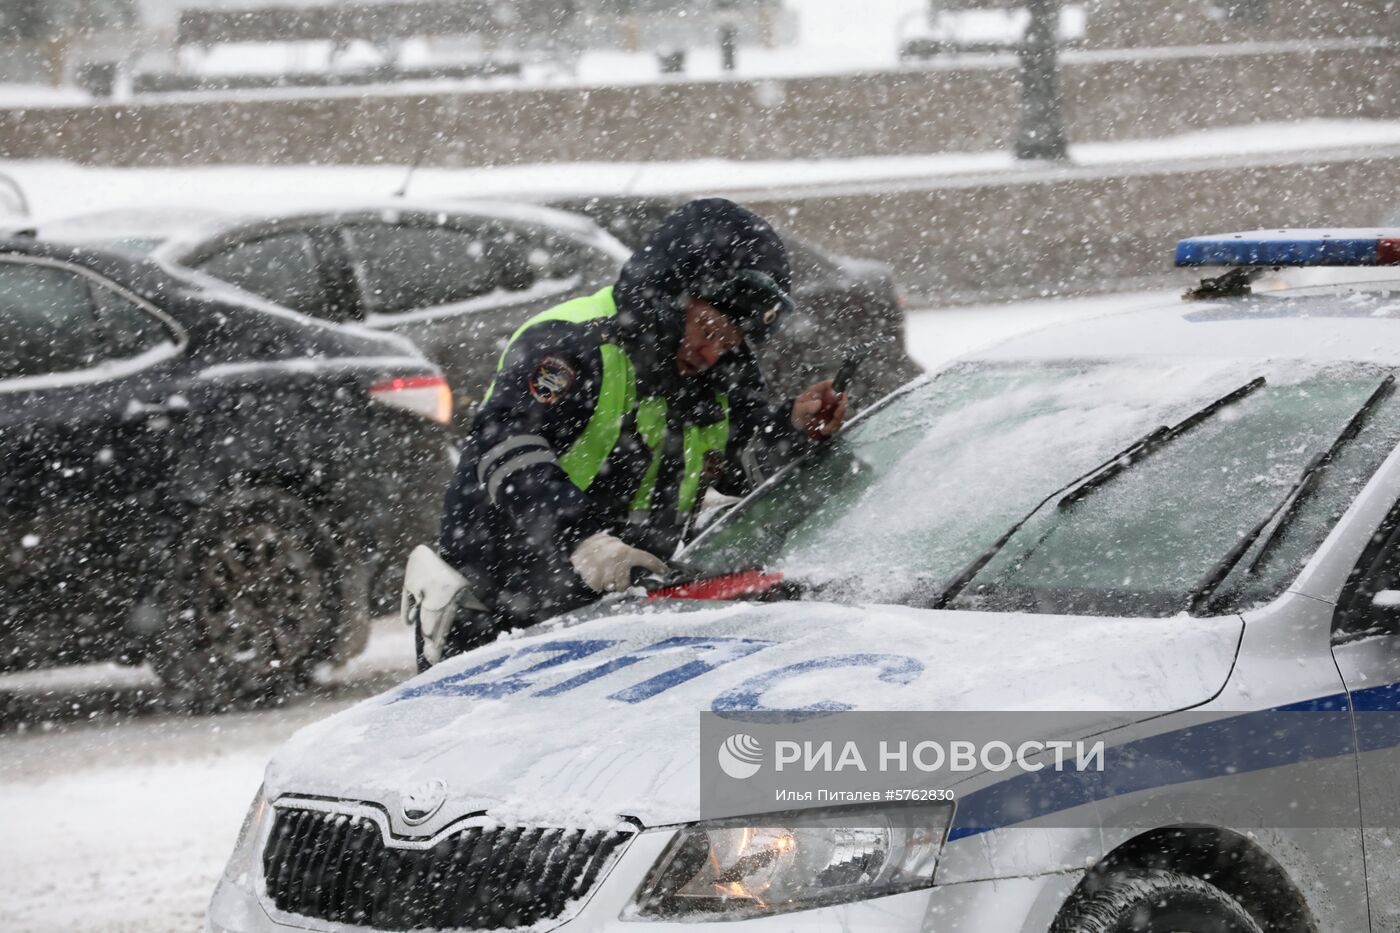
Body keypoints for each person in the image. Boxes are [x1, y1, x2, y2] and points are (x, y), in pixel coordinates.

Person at [415, 198, 847, 668]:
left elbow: (741, 464)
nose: (712, 353)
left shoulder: (722, 376)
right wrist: (585, 541)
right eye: (707, 328)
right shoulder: (573, 341)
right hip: (498, 612)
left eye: (730, 341)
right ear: (670, 292)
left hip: (621, 621)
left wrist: (791, 427)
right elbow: (506, 446)